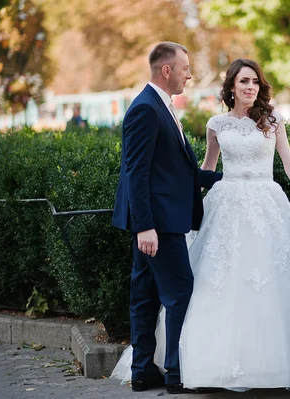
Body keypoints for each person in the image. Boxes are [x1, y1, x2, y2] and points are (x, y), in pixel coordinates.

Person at [112, 58, 290, 394]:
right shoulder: (216, 125)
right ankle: (196, 364)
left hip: (267, 203)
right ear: (231, 88)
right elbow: (203, 171)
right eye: (243, 82)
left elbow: (289, 164)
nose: (250, 87)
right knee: (211, 281)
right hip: (226, 205)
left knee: (271, 281)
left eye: (255, 81)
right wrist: (195, 206)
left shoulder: (273, 120)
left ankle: (273, 364)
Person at [110, 42, 222, 395]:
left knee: (144, 295)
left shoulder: (160, 105)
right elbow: (136, 173)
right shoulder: (145, 109)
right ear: (167, 70)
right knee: (179, 293)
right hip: (159, 224)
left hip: (158, 221)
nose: (190, 74)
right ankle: (175, 371)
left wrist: (227, 179)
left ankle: (143, 371)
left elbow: (178, 170)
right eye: (186, 68)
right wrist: (145, 226)